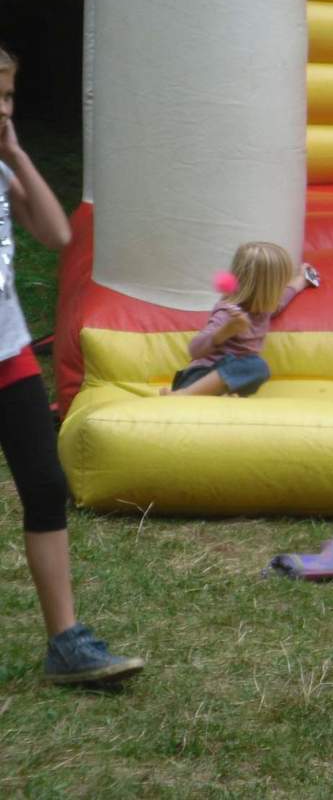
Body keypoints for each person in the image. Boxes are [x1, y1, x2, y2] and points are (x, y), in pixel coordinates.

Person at [0, 45, 144, 683]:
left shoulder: (2, 168)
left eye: (8, 97)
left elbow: (57, 235)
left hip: (8, 353)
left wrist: (16, 155)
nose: (4, 110)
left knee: (44, 486)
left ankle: (65, 642)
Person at [161, 242, 315, 397]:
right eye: (281, 282)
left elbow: (284, 297)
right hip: (197, 378)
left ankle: (222, 394)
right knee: (256, 365)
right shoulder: (229, 312)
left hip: (225, 382)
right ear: (268, 288)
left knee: (256, 369)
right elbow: (194, 350)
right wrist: (226, 331)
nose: (283, 287)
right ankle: (184, 395)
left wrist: (302, 279)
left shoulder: (265, 308)